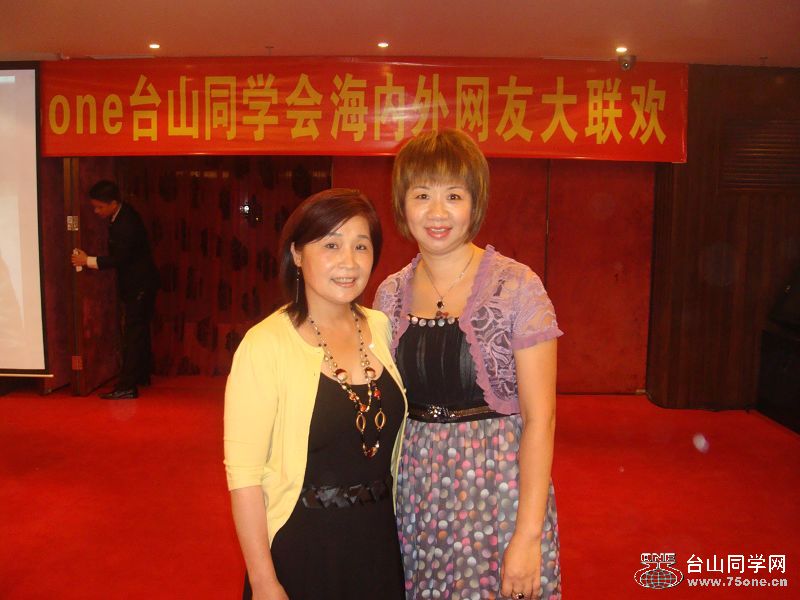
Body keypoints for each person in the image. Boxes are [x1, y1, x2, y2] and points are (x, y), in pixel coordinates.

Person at [375, 129, 562, 599]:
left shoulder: (517, 287)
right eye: (422, 195)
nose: (437, 213)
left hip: (496, 493)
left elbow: (540, 420)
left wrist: (528, 536)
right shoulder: (389, 294)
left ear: (475, 204)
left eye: (453, 196)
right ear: (402, 204)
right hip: (417, 495)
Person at [224, 188, 407, 600]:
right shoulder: (265, 345)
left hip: (377, 542)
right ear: (297, 254)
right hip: (305, 547)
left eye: (361, 246)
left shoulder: (380, 327)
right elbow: (245, 477)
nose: (349, 262)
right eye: (331, 245)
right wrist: (264, 581)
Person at [71, 179, 159, 399]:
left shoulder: (126, 222)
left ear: (113, 203)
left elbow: (120, 258)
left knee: (134, 333)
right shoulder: (122, 214)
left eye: (99, 207)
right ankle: (140, 375)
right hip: (139, 283)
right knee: (139, 330)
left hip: (140, 284)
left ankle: (127, 386)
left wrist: (86, 260)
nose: (96, 211)